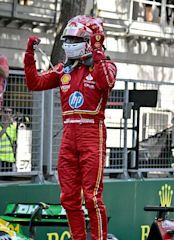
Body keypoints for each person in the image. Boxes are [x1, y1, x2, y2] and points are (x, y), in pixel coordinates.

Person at [24, 15, 117, 240]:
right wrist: (29, 54)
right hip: (69, 136)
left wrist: (97, 52)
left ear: (91, 40)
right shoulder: (63, 70)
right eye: (68, 39)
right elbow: (34, 83)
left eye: (75, 39)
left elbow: (107, 82)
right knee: (68, 197)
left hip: (92, 134)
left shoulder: (103, 66)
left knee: (92, 197)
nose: (69, 44)